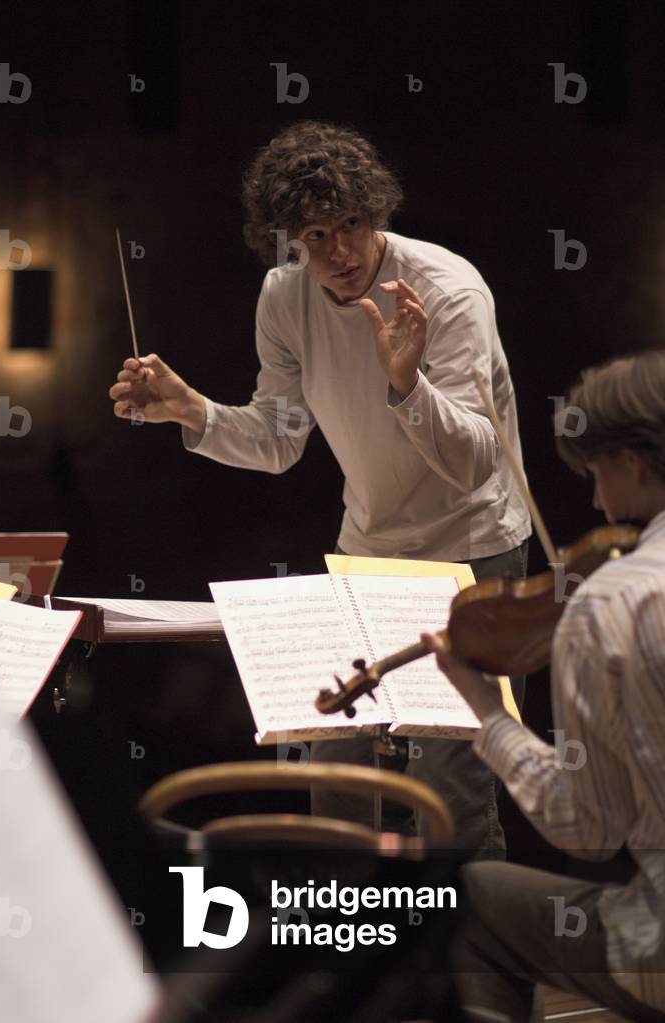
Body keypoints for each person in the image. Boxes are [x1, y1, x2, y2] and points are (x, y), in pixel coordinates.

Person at [109, 121, 531, 853]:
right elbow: (279, 441)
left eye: (352, 225)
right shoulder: (283, 297)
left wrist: (408, 382)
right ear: (286, 241)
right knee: (335, 773)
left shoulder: (448, 291)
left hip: (474, 552)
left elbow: (474, 465)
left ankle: (465, 933)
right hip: (366, 554)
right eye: (315, 235)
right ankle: (347, 928)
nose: (340, 252)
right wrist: (192, 410)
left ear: (376, 214)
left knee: (451, 797)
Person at [424, 348, 665, 1020]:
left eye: (595, 472)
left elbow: (587, 828)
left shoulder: (612, 603)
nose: (594, 498)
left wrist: (487, 712)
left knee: (464, 896)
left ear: (632, 463)